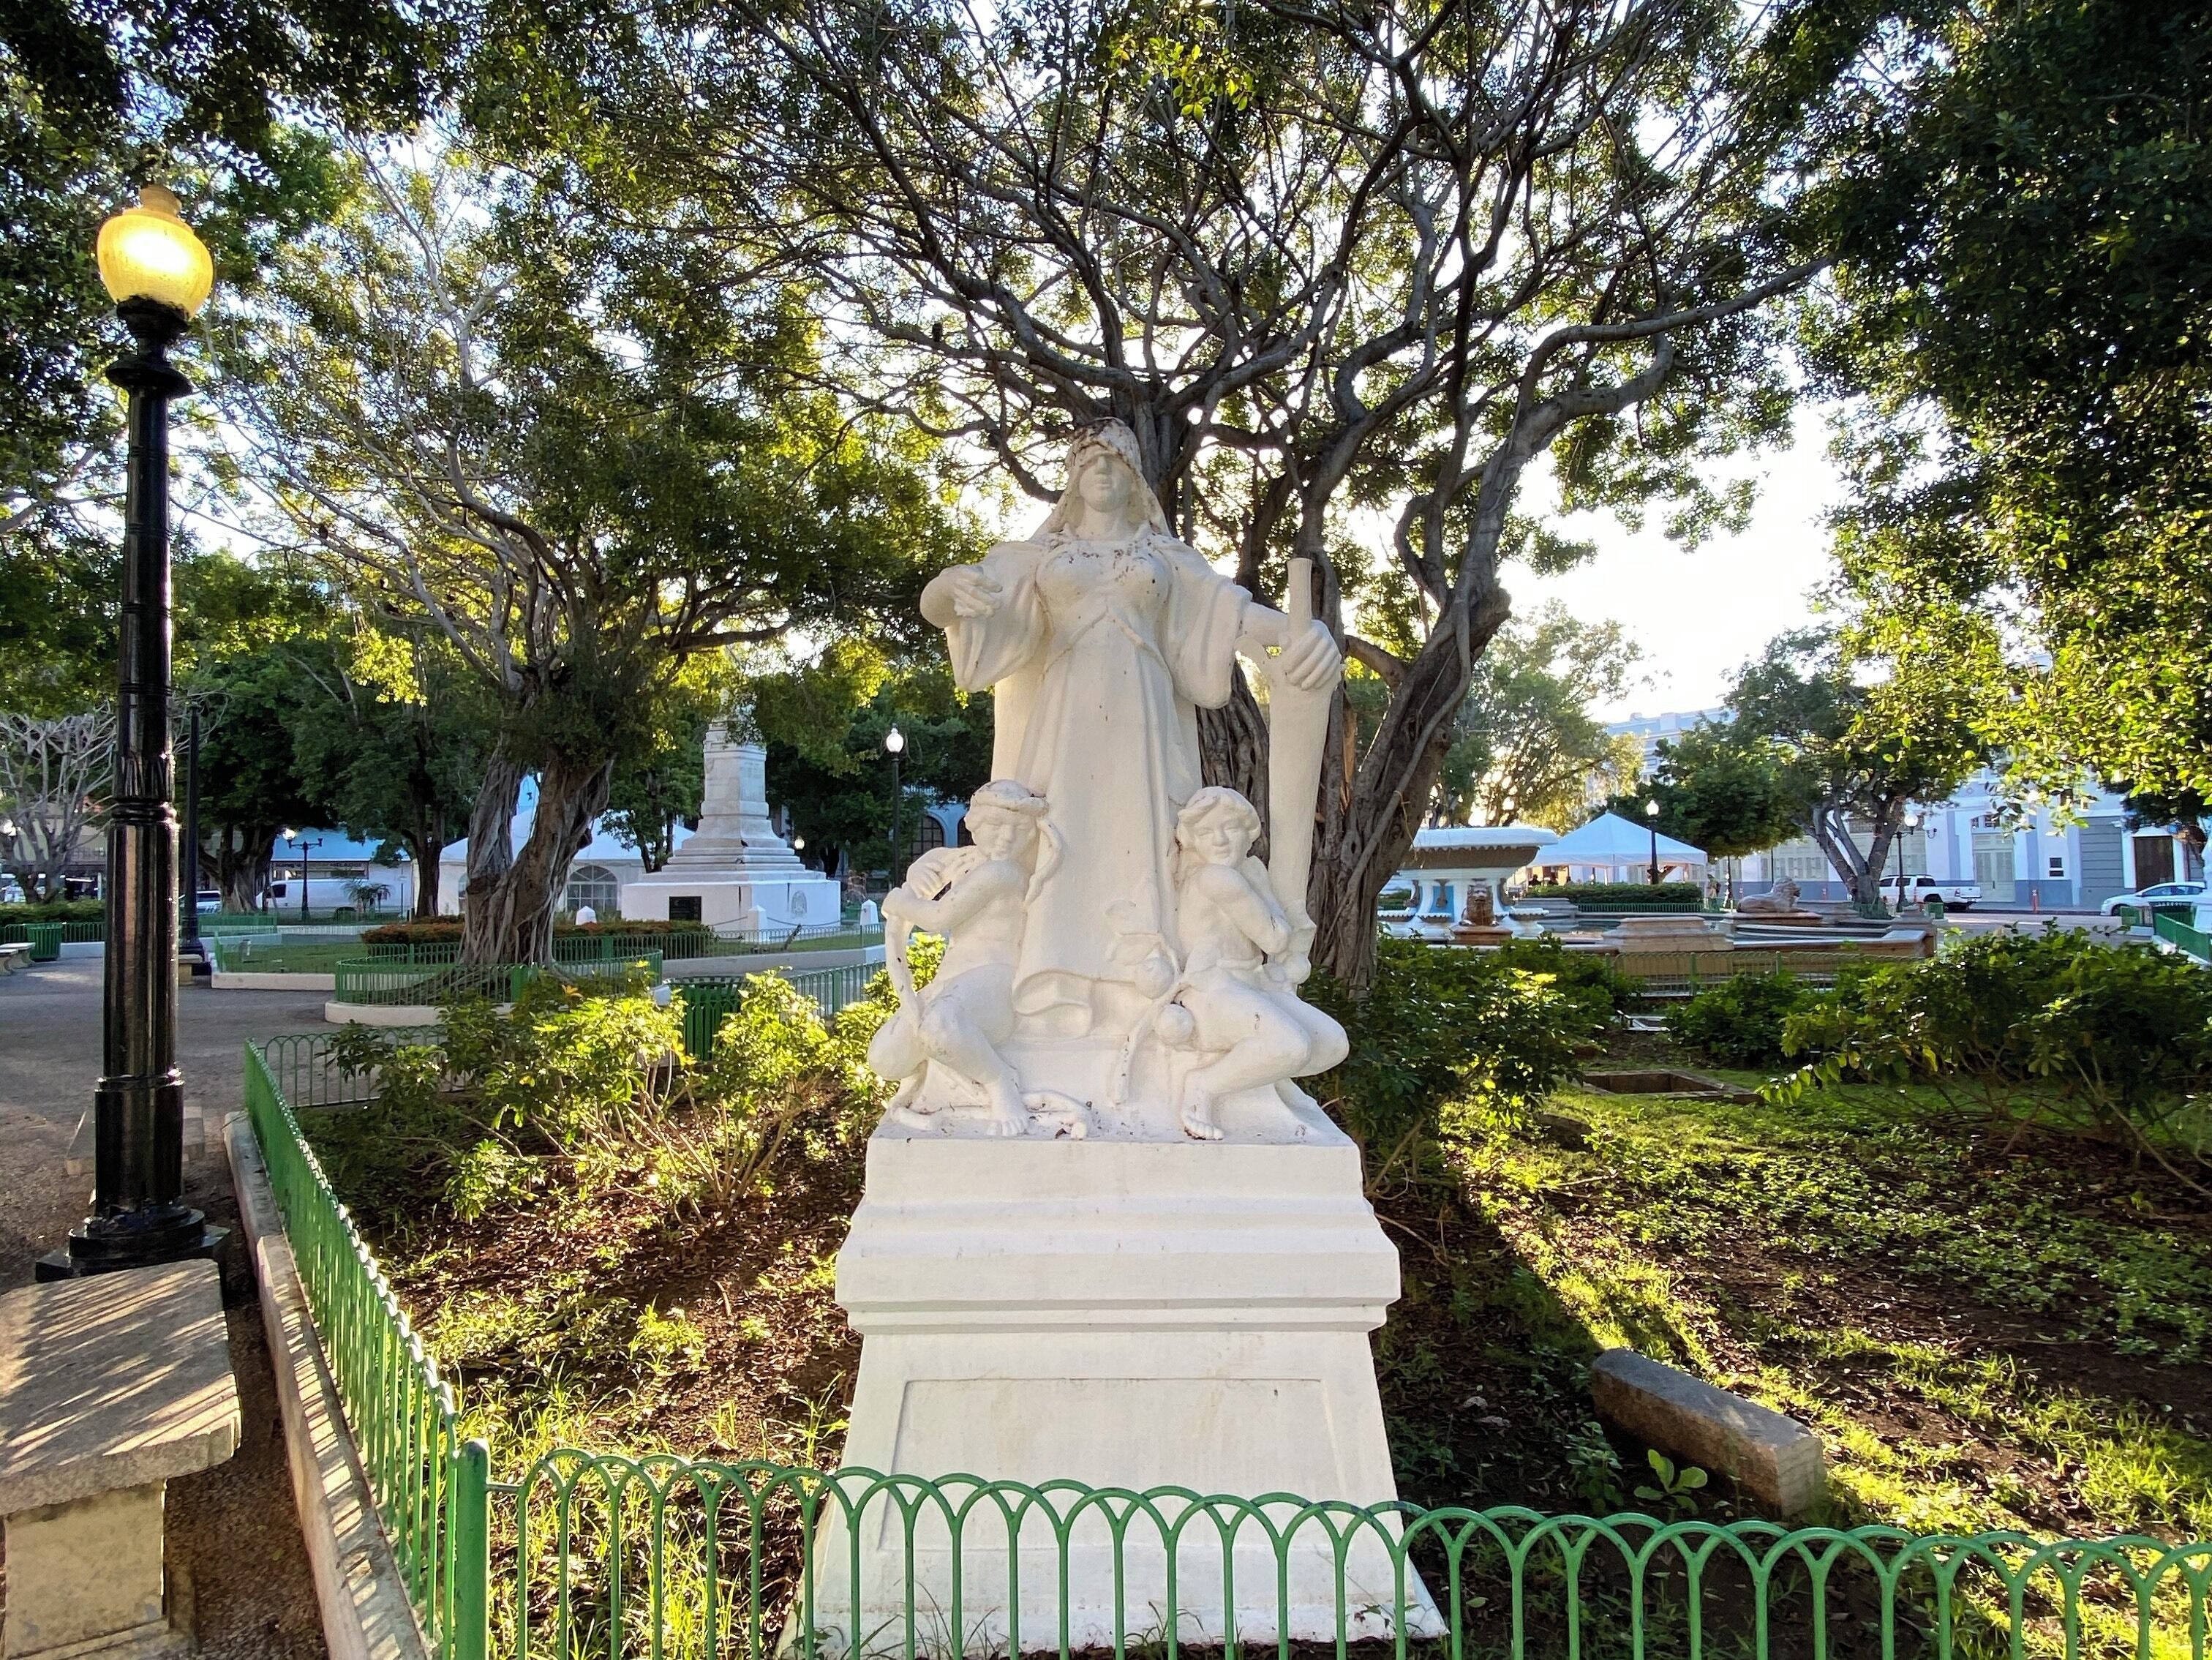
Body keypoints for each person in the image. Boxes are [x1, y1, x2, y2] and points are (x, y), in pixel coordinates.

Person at [919, 420, 1338, 1040]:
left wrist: (1305, 637)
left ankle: (1148, 987)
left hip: (1146, 724)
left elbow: (1232, 612)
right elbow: (951, 608)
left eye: (1116, 460)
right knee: (1064, 841)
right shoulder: (1040, 558)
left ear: (1135, 476)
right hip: (1062, 726)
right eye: (1089, 459)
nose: (1103, 470)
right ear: (1072, 478)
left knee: (1142, 839)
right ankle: (1055, 987)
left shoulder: (1165, 558)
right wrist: (944, 590)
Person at [868, 781, 1059, 1135]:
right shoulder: (970, 861)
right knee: (885, 1057)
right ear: (974, 826)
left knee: (940, 1024)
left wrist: (898, 901)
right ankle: (946, 1070)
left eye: (1018, 831)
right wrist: (918, 871)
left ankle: (1000, 1081)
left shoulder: (1004, 872)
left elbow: (941, 918)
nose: (1005, 839)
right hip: (953, 980)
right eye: (995, 828)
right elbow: (940, 867)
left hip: (995, 981)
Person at [1160, 788, 1348, 1141]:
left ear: (1248, 832)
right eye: (1205, 832)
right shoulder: (1219, 877)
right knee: (1291, 1046)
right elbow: (1275, 939)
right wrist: (1260, 881)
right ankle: (1204, 1087)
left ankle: (1271, 1078)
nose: (1219, 840)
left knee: (1332, 1044)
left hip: (1251, 982)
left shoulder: (1239, 871)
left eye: (1230, 828)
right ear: (1191, 839)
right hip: (1212, 990)